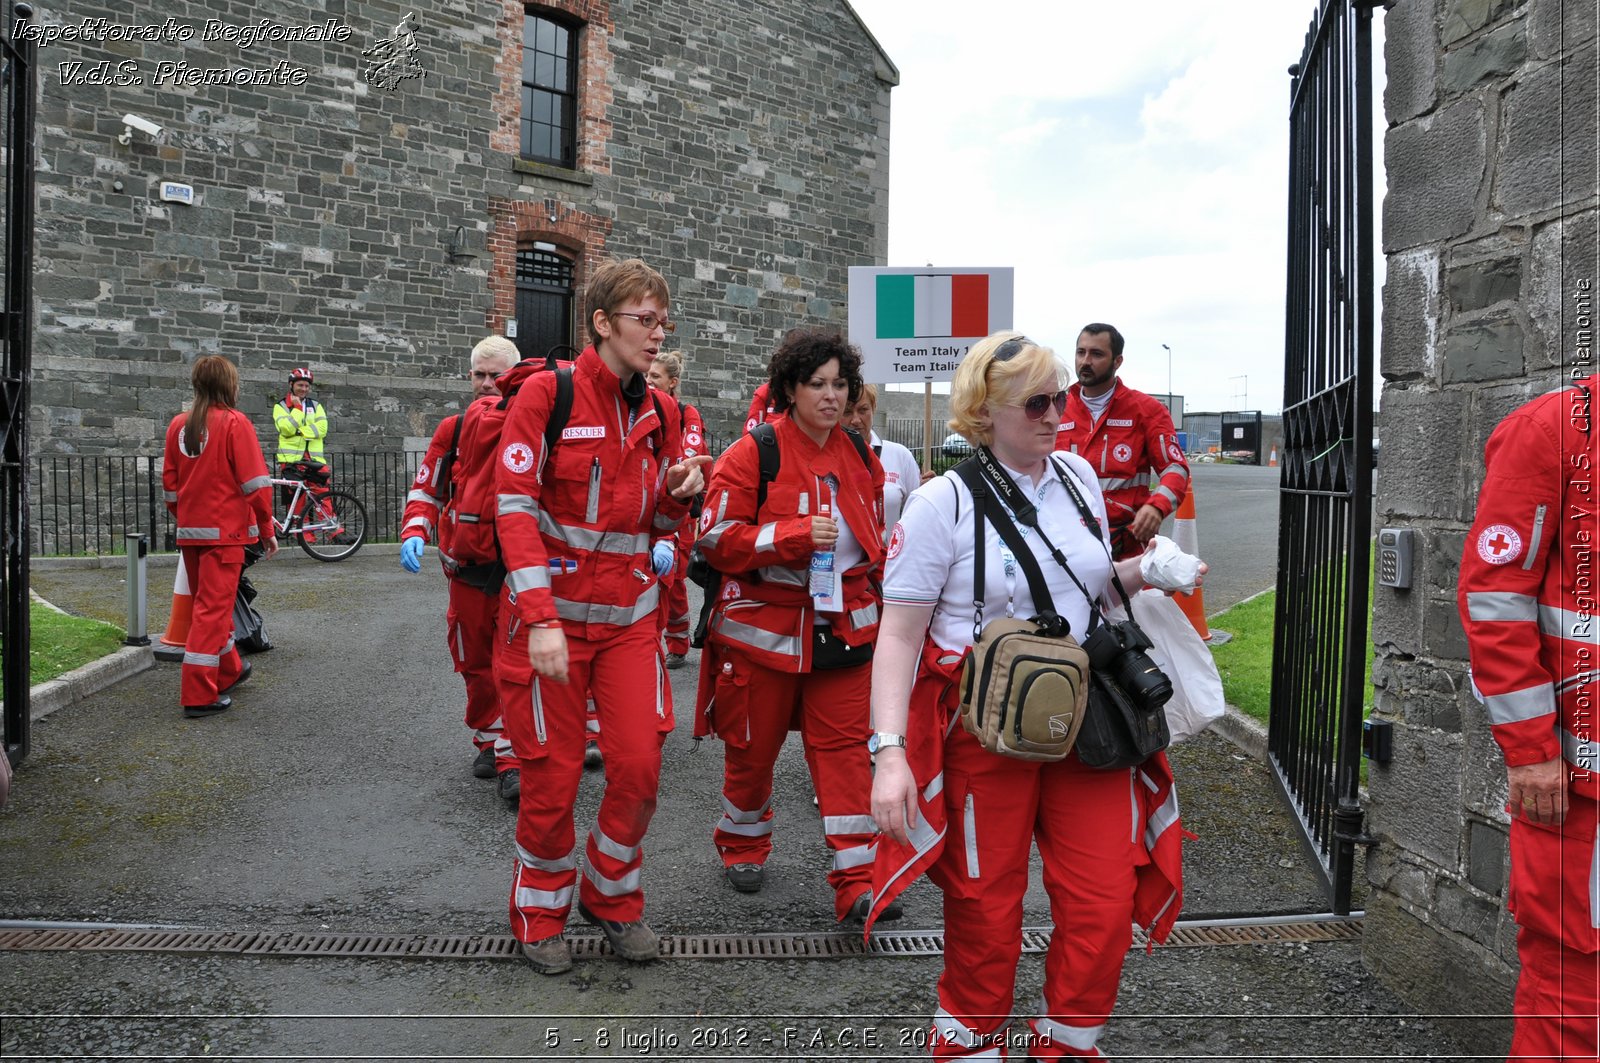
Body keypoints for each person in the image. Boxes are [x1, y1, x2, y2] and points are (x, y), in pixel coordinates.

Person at [870, 331, 1186, 1059]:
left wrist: (1149, 571)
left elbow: (1096, 586)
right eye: (1038, 402)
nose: (1056, 414)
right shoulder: (937, 504)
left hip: (1081, 721)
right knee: (984, 910)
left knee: (1105, 902)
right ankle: (971, 1045)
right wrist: (890, 754)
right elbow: (898, 638)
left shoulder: (1075, 475)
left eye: (1060, 399)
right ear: (986, 412)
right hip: (986, 731)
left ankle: (1067, 1041)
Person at [492, 258, 711, 976]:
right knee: (551, 779)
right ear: (601, 322)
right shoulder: (546, 397)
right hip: (548, 629)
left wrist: (680, 498)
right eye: (644, 319)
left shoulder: (667, 412)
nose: (656, 334)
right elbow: (515, 508)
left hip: (627, 626)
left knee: (642, 769)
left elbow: (662, 522)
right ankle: (539, 911)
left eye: (662, 321)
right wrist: (542, 617)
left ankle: (610, 895)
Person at [693, 327, 890, 921]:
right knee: (751, 753)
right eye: (817, 384)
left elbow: (876, 534)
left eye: (840, 384)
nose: (831, 396)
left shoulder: (858, 452)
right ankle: (743, 844)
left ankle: (857, 881)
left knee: (848, 758)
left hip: (845, 635)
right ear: (790, 389)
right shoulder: (755, 451)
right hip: (763, 641)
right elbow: (713, 538)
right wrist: (791, 537)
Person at [1457, 374, 1599, 1061]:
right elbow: (1494, 600)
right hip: (1578, 782)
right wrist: (1531, 751)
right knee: (1572, 983)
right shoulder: (1553, 429)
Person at [399, 335, 522, 801]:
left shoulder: (530, 425)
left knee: (516, 665)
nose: (487, 383)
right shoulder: (452, 430)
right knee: (475, 664)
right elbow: (427, 488)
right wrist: (415, 530)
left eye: (496, 375)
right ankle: (489, 740)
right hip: (466, 573)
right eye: (479, 374)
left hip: (515, 574)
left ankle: (513, 755)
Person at [162, 355, 279, 718]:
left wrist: (188, 519)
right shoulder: (234, 423)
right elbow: (256, 486)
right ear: (229, 384)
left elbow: (170, 488)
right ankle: (198, 694)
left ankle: (229, 669)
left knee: (211, 607)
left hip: (191, 534)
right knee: (212, 612)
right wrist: (266, 529)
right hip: (225, 536)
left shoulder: (179, 425)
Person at [1054, 323, 1189, 560]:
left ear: (1117, 362)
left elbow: (1175, 468)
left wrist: (1156, 506)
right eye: (1080, 352)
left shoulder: (1147, 410)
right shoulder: (1055, 407)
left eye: (1096, 354)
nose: (1085, 361)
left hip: (1125, 547)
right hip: (1065, 543)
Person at [646, 350, 706, 668]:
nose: (649, 382)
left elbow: (689, 453)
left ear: (673, 382)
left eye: (655, 377)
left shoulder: (686, 413)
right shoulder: (639, 408)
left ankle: (678, 641)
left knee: (672, 577)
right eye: (647, 376)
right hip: (645, 508)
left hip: (677, 507)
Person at [842, 382, 924, 540]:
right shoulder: (825, 458)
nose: (856, 419)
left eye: (863, 410)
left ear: (873, 408)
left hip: (890, 562)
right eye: (847, 411)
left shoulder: (900, 455)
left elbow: (917, 517)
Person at [273, 366, 330, 510]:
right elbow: (286, 429)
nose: (304, 389)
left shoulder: (316, 405)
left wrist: (299, 432)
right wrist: (297, 409)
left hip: (314, 460)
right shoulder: (281, 406)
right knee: (295, 502)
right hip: (291, 461)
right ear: (291, 385)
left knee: (324, 495)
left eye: (306, 386)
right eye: (300, 385)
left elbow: (323, 429)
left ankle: (335, 530)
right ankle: (301, 533)